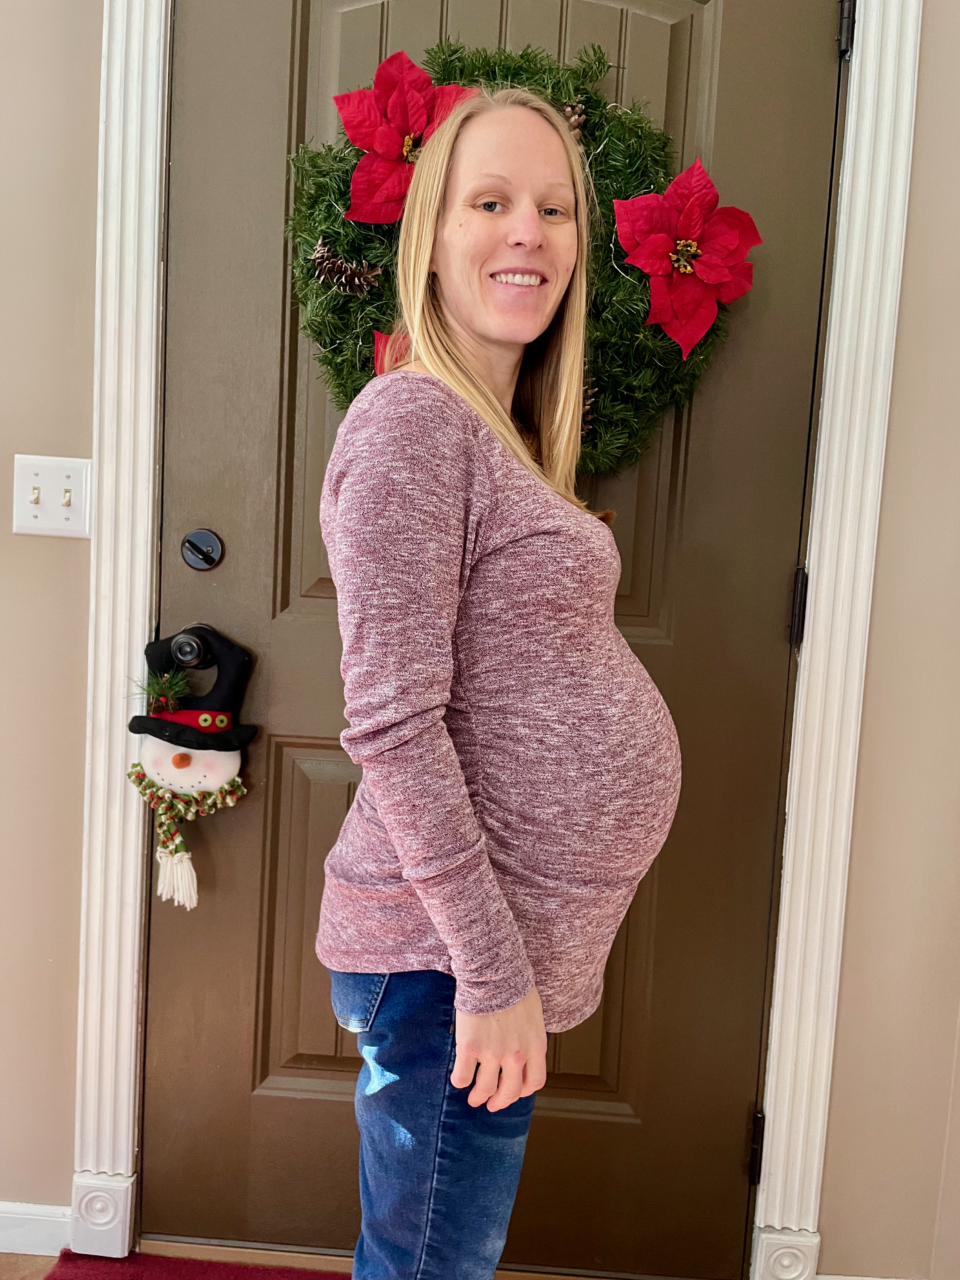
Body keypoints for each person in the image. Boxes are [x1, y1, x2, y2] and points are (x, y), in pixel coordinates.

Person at [317, 85, 682, 1280]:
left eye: (554, 208)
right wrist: (489, 965)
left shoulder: (492, 433)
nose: (529, 231)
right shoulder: (413, 423)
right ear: (431, 234)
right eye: (490, 202)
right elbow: (392, 722)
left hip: (466, 955)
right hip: (445, 957)